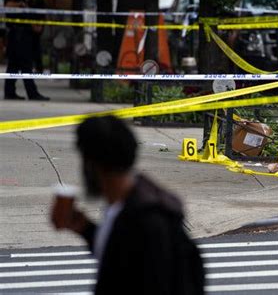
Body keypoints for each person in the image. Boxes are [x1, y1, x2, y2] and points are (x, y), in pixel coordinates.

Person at [51, 115, 204, 294]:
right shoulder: (124, 205)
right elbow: (123, 258)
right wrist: (85, 229)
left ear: (92, 164)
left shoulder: (147, 220)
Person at [4, 0, 49, 100]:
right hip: (19, 35)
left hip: (22, 34)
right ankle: (32, 93)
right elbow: (7, 6)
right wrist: (21, 3)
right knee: (25, 65)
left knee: (13, 66)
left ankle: (10, 91)